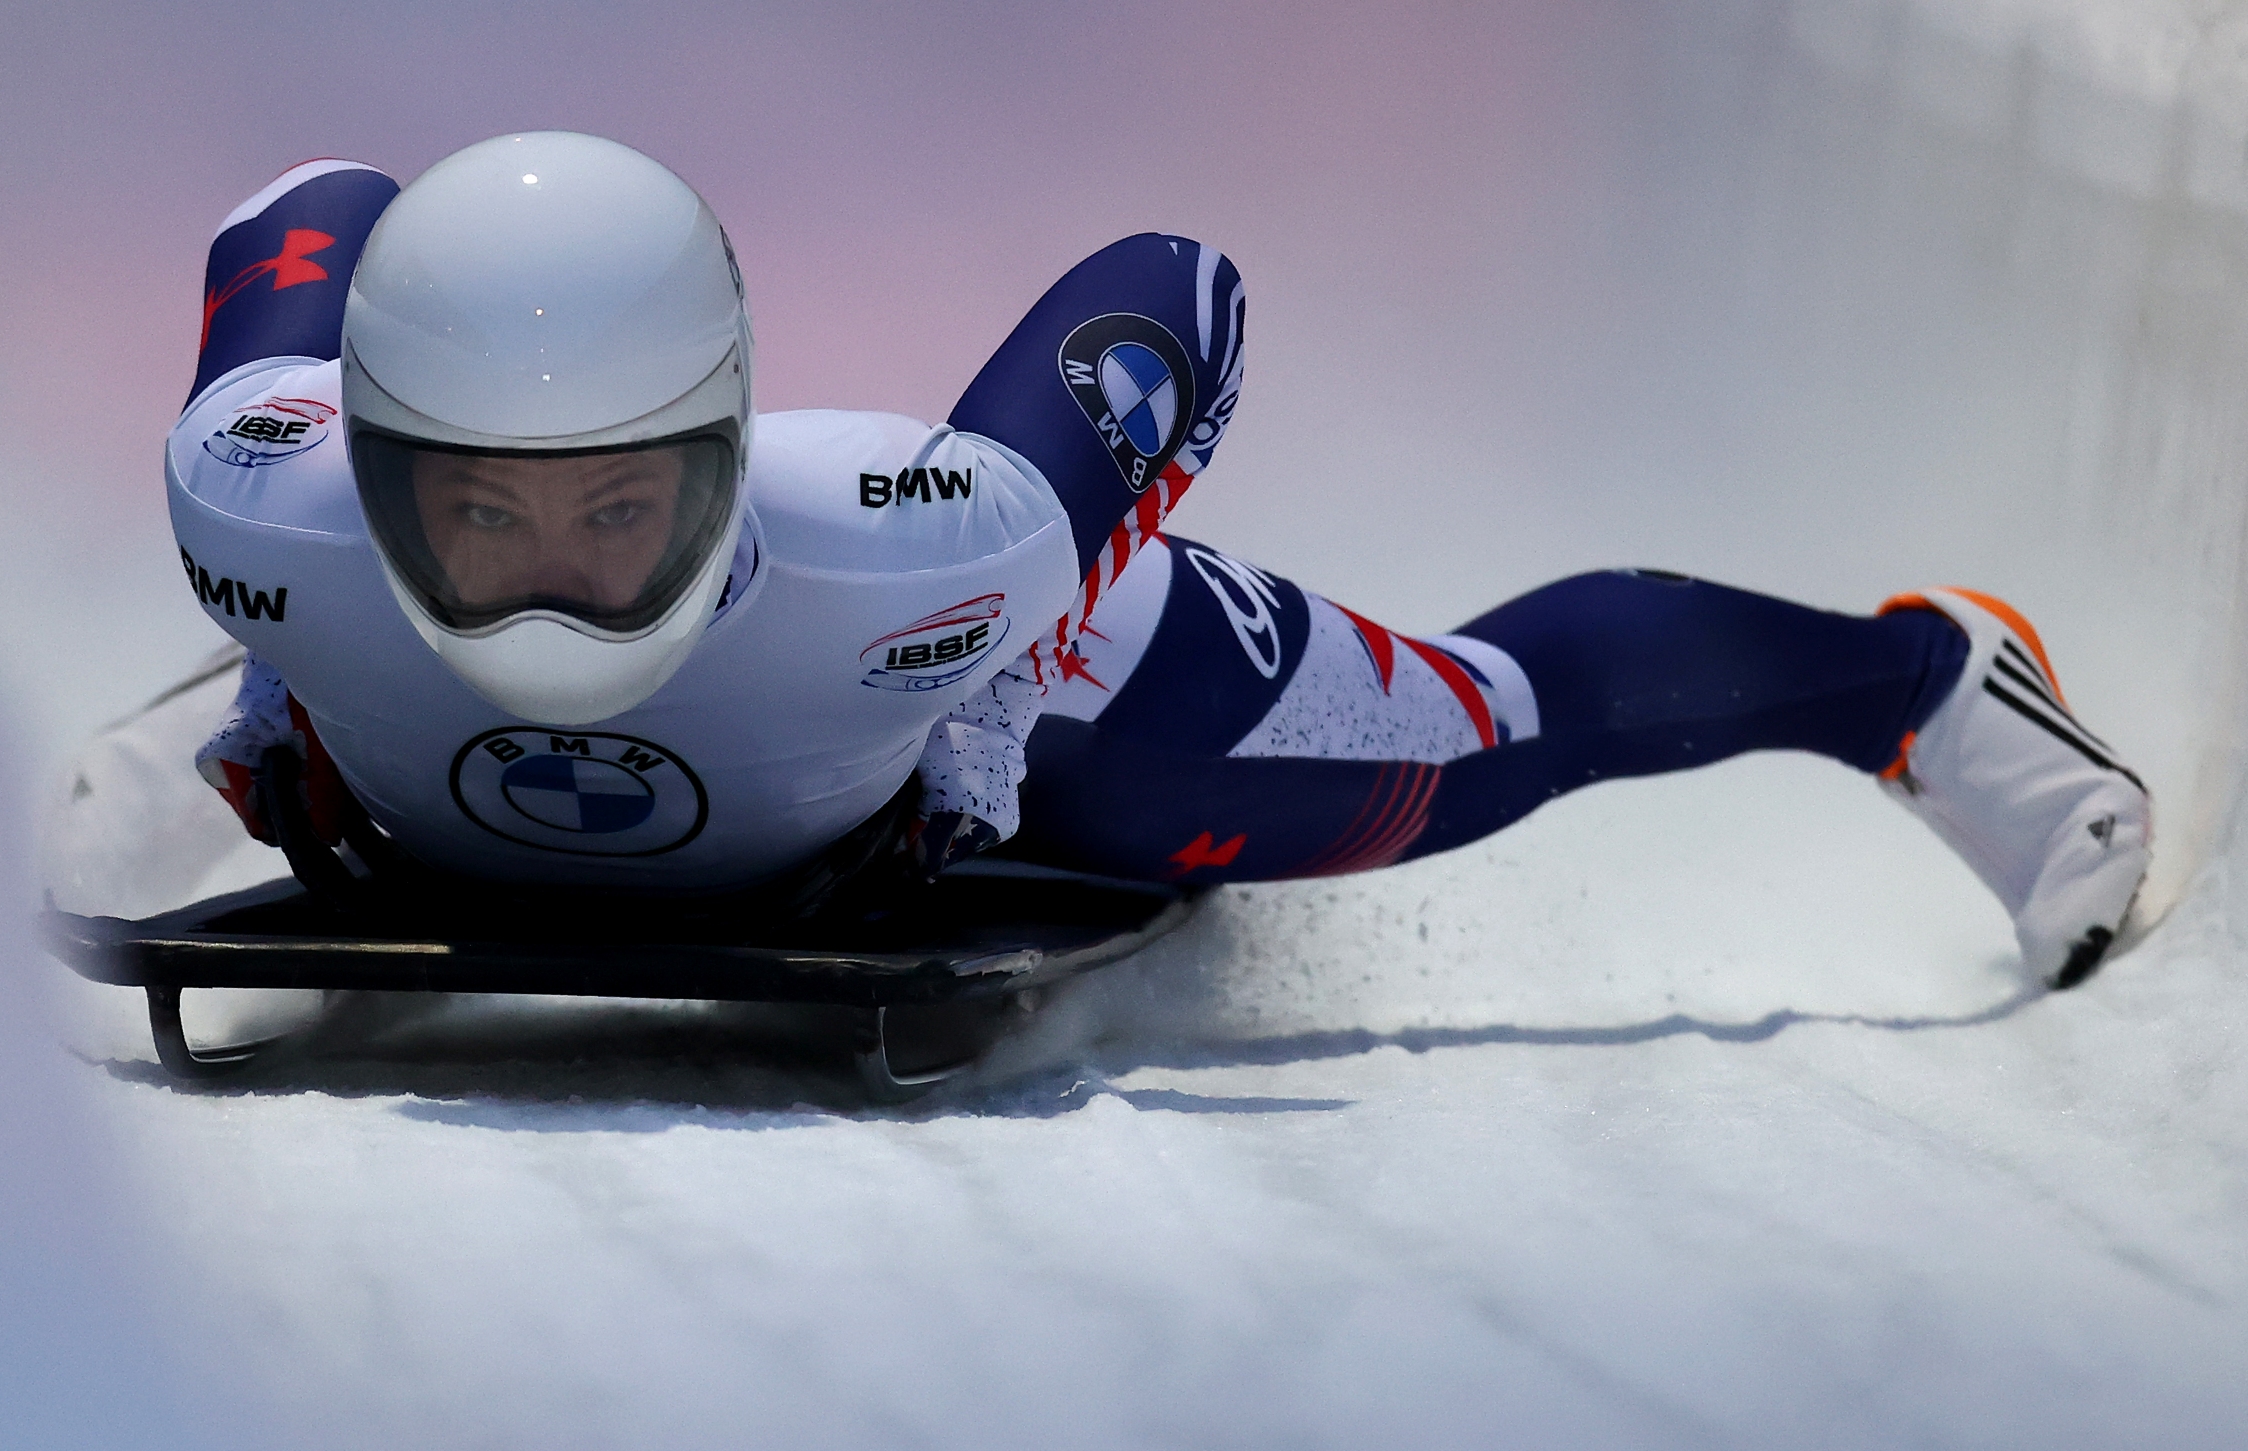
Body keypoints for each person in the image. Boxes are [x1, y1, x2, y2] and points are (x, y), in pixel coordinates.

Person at [169, 132, 2149, 990]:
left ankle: (1921, 685)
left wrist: (1026, 622)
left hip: (1009, 693)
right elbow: (307, 206)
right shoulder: (258, 507)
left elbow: (1172, 291)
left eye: (617, 512)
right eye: (478, 517)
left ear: (709, 456)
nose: (555, 593)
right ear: (380, 473)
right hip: (822, 660)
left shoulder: (945, 554)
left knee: (1474, 727)